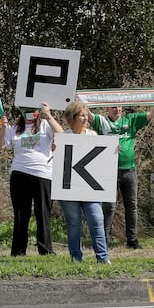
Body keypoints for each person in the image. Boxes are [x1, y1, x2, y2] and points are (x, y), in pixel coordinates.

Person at [89, 102, 154, 249]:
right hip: (109, 171)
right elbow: (88, 115)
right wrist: (80, 101)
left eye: (119, 107)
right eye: (113, 107)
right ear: (107, 108)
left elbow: (151, 114)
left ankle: (132, 240)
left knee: (131, 206)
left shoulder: (130, 120)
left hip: (129, 171)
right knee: (109, 207)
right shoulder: (102, 122)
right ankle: (104, 240)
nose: (116, 109)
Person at [0, 103, 61, 256]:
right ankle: (18, 251)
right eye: (26, 111)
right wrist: (3, 128)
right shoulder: (14, 129)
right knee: (21, 215)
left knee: (43, 213)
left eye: (33, 111)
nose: (30, 114)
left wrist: (48, 115)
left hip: (43, 174)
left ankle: (45, 249)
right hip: (20, 174)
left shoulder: (45, 125)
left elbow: (62, 133)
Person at [59, 101, 110, 264]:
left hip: (90, 188)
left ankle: (102, 258)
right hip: (70, 188)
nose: (86, 118)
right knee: (73, 222)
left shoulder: (92, 136)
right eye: (82, 115)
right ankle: (76, 258)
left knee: (96, 219)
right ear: (71, 118)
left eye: (86, 114)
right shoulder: (63, 137)